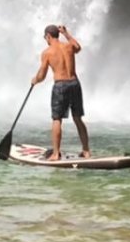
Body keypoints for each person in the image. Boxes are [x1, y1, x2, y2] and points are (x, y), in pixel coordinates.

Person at [31, 23, 90, 161]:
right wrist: (66, 33)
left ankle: (56, 153)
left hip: (61, 86)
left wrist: (35, 80)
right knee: (77, 118)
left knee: (57, 119)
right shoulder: (68, 46)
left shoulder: (47, 52)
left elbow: (42, 76)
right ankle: (86, 151)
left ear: (48, 36)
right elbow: (78, 47)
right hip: (75, 83)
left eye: (45, 37)